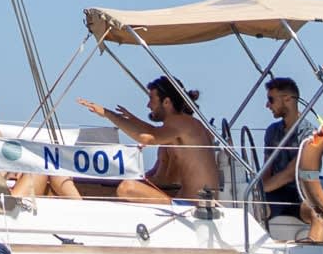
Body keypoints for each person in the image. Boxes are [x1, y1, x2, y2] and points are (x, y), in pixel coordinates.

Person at [81, 77, 222, 204]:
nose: (148, 105)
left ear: (166, 102)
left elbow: (148, 137)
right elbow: (152, 131)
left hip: (194, 207)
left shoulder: (180, 123)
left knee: (127, 188)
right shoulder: (189, 124)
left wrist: (107, 114)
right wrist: (133, 120)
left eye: (151, 99)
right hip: (193, 202)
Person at [0, 89, 80, 202]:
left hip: (10, 188)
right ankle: (83, 206)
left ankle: (82, 204)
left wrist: (18, 171)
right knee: (44, 165)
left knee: (52, 165)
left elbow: (7, 167)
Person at [255, 76, 305, 220]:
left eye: (271, 100)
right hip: (274, 192)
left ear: (288, 99)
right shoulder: (272, 131)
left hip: (301, 195)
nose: (267, 105)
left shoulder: (309, 134)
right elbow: (267, 168)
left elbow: (290, 173)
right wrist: (257, 194)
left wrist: (260, 190)